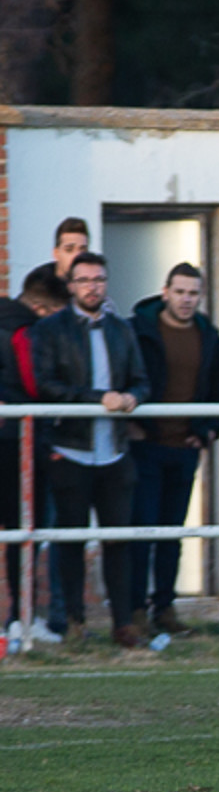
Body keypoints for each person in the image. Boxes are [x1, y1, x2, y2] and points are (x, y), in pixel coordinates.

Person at [29, 252, 150, 647]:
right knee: (71, 542)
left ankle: (122, 623)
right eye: (84, 280)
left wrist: (132, 397)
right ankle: (75, 623)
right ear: (71, 285)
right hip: (71, 449)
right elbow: (46, 386)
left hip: (114, 451)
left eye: (99, 279)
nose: (92, 287)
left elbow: (142, 381)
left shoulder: (121, 330)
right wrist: (99, 399)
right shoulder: (51, 330)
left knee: (119, 541)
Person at [128, 263, 219, 635]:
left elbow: (218, 390)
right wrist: (132, 427)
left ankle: (164, 610)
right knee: (142, 533)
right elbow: (124, 376)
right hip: (146, 446)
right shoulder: (139, 329)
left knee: (172, 534)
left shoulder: (208, 336)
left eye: (193, 293)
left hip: (184, 449)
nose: (186, 300)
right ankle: (136, 611)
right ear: (165, 291)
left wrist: (206, 432)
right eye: (180, 291)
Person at [0, 268, 69, 643]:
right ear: (43, 308)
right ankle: (19, 619)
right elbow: (34, 384)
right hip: (16, 444)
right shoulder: (26, 331)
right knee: (25, 530)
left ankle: (18, 619)